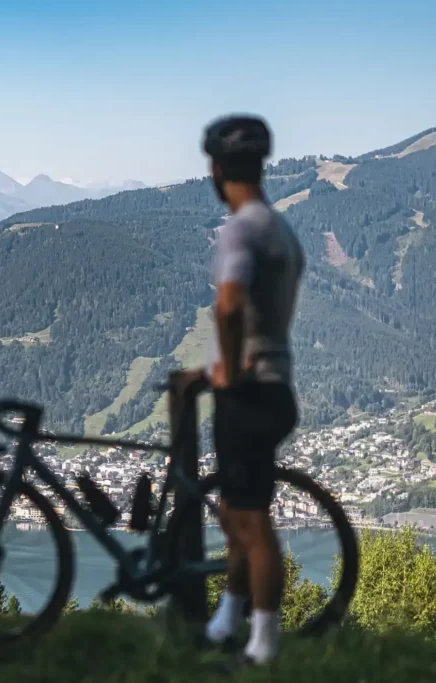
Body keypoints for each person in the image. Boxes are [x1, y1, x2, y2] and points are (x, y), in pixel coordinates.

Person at [199, 115, 304, 666]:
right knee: (238, 509)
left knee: (252, 523)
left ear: (217, 170)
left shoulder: (239, 229)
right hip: (277, 387)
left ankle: (262, 646)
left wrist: (227, 372)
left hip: (249, 393)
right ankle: (224, 620)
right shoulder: (280, 227)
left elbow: (230, 302)